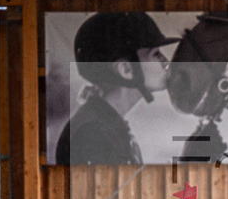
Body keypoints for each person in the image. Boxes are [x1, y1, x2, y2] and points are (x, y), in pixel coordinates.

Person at [55, 12, 179, 165]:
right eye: (155, 54)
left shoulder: (103, 124)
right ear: (126, 70)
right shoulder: (96, 135)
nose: (165, 61)